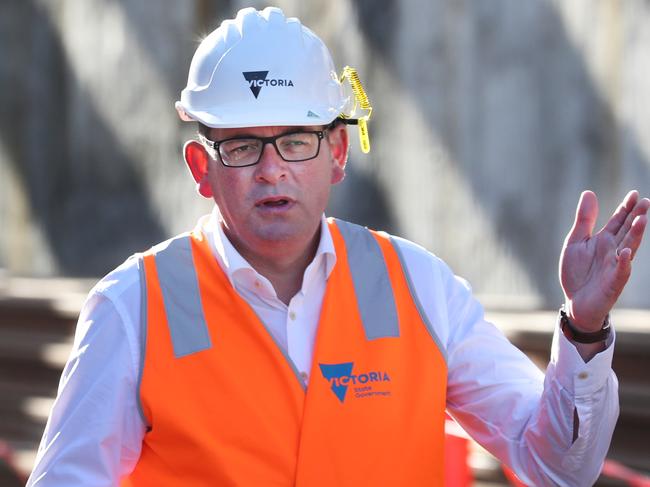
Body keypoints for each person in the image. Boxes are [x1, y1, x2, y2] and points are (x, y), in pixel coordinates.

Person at [28, 7, 649, 487]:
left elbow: (560, 467)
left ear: (338, 154)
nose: (272, 171)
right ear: (201, 166)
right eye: (242, 146)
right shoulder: (133, 309)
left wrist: (585, 332)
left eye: (296, 141)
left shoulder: (418, 289)